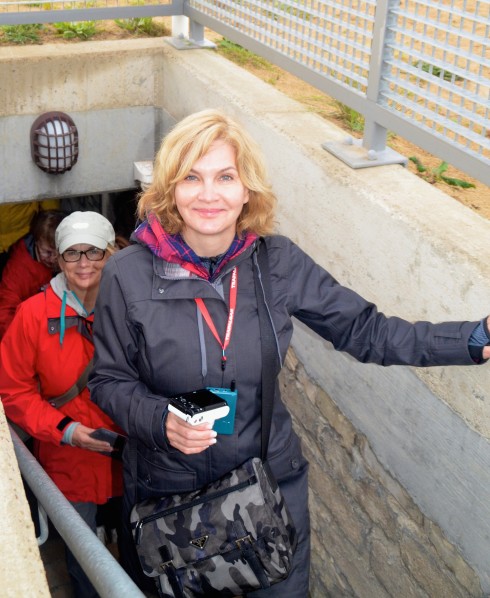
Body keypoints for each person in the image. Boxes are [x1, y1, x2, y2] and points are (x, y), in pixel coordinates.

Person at [88, 109, 490, 597]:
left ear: (247, 190)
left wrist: (472, 338)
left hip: (269, 492)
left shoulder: (276, 263)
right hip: (172, 502)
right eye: (191, 177)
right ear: (170, 188)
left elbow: (368, 331)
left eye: (225, 177)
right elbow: (108, 381)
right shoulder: (126, 275)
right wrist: (160, 419)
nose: (209, 194)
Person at [0, 211, 124, 598]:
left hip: (132, 452)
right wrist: (66, 431)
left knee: (140, 538)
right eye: (72, 253)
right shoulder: (33, 316)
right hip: (70, 456)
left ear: (110, 253)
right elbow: (14, 391)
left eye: (93, 252)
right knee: (83, 552)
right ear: (58, 258)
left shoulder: (133, 305)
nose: (83, 263)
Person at [0, 209, 65, 340]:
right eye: (47, 252)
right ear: (36, 242)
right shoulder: (19, 269)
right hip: (25, 331)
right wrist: (19, 341)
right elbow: (5, 310)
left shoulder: (65, 259)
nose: (53, 259)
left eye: (58, 253)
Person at [0, 199, 60, 277]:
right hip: (25, 240)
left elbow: (49, 198)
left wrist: (50, 230)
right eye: (48, 253)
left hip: (25, 232)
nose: (52, 259)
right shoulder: (20, 263)